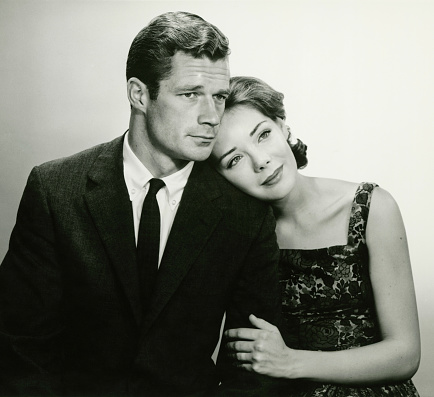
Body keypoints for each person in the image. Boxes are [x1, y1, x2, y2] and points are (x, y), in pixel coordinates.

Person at [0, 13, 283, 396]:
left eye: (218, 96)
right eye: (190, 94)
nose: (211, 116)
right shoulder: (55, 190)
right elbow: (22, 347)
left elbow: (252, 368)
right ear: (139, 94)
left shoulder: (244, 211)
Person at [210, 76, 421, 396]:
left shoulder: (370, 208)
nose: (261, 161)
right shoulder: (237, 238)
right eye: (234, 159)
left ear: (283, 127)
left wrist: (292, 362)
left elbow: (405, 355)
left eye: (263, 135)